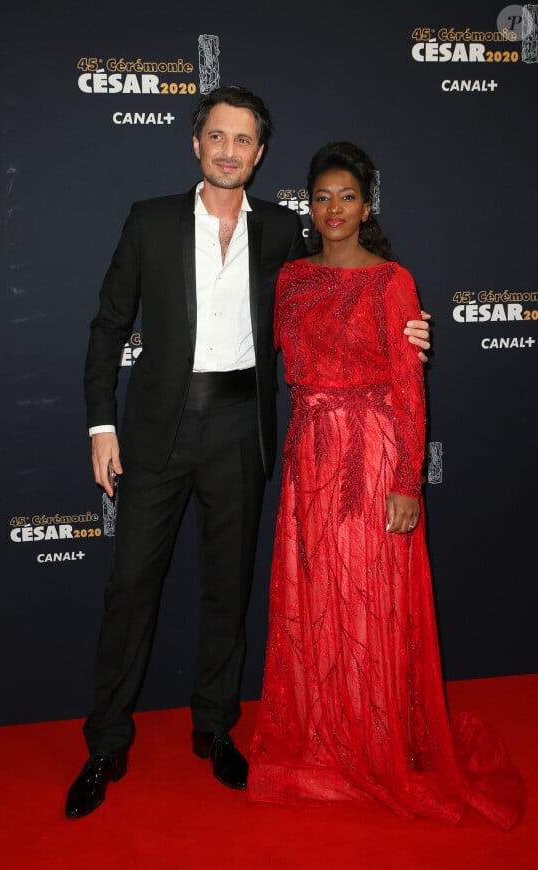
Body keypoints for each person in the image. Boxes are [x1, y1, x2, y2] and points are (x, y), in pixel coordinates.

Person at [65, 92, 432, 820]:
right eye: (217, 137)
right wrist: (100, 427)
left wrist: (408, 332)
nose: (229, 150)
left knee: (228, 591)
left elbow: (341, 292)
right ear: (196, 143)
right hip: (156, 434)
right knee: (132, 587)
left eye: (243, 140)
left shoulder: (282, 233)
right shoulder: (149, 220)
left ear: (260, 154)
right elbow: (108, 327)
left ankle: (214, 728)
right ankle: (105, 742)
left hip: (242, 430)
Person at [246, 141, 524, 828]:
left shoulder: (393, 280)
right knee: (312, 599)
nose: (333, 208)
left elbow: (408, 386)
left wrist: (407, 482)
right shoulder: (291, 280)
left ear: (366, 206)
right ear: (307, 207)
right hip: (308, 452)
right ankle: (323, 740)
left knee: (368, 597)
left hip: (368, 456)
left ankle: (374, 739)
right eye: (322, 196)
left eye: (346, 196)